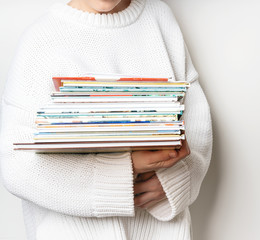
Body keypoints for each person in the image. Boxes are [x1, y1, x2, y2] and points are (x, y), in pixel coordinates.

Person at [0, 0, 212, 239]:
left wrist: (177, 180)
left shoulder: (159, 18)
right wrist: (128, 168)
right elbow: (17, 165)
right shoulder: (41, 39)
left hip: (162, 231)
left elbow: (196, 124)